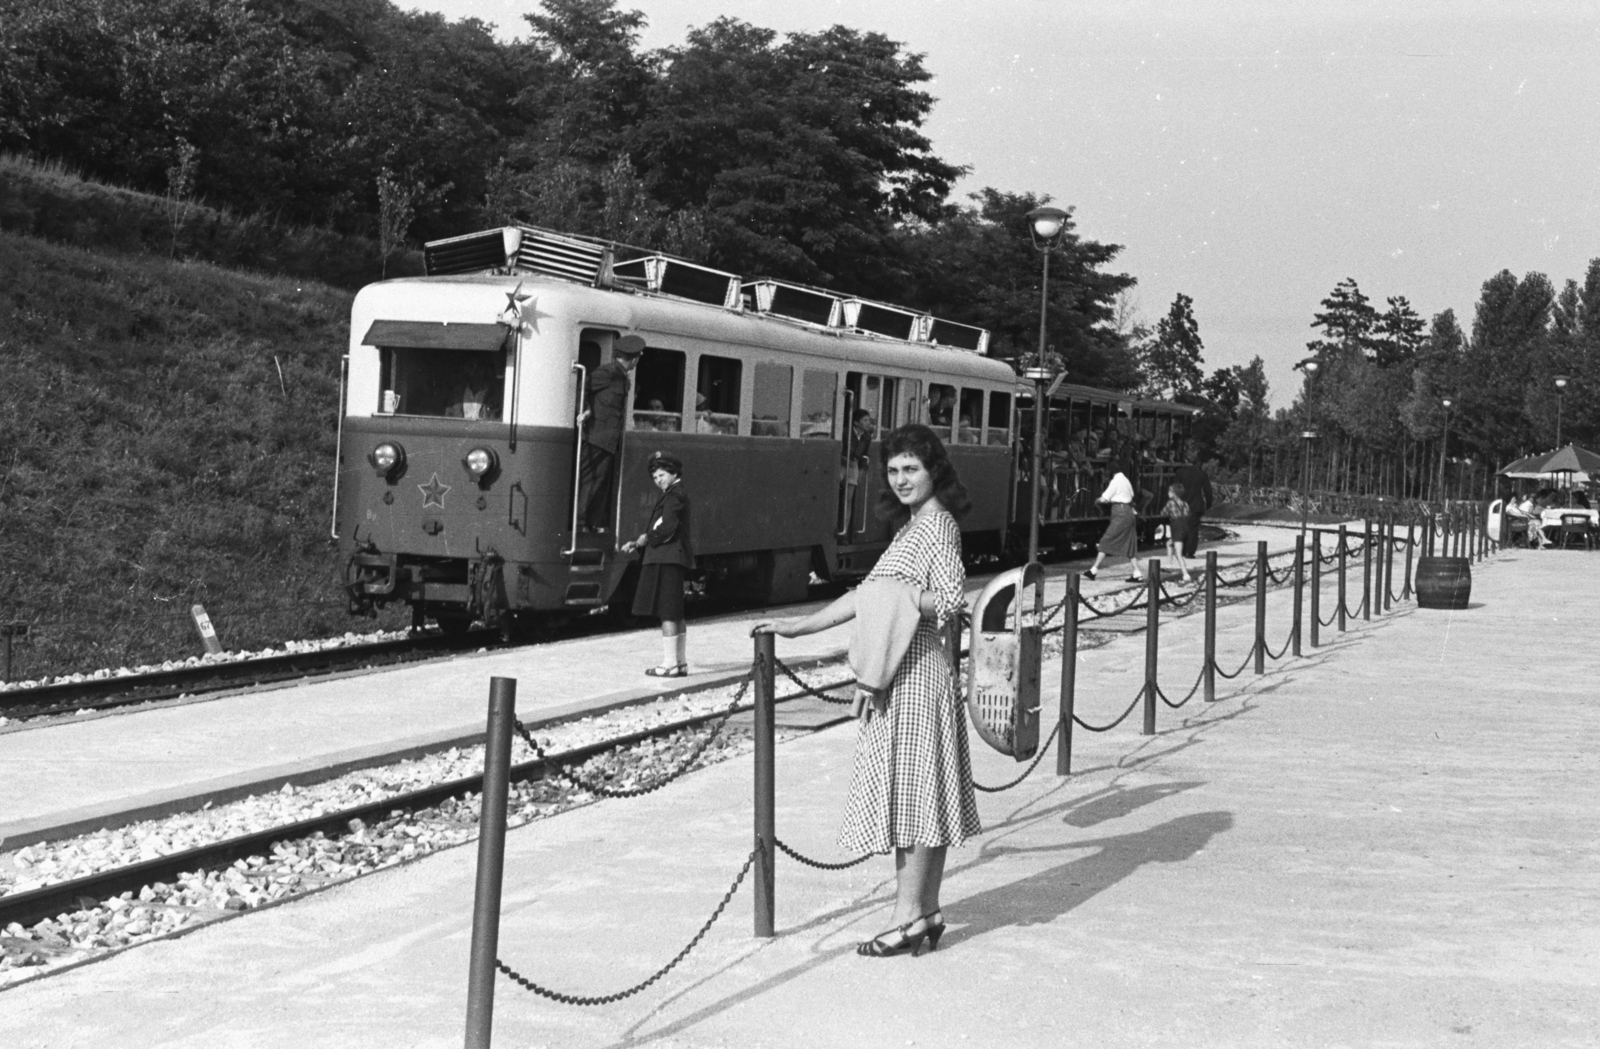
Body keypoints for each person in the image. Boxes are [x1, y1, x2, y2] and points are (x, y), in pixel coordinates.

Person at [753, 424, 978, 957]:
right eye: (894, 470)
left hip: (918, 674)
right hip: (907, 672)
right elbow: (865, 595)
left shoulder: (937, 526)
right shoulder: (910, 527)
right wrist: (796, 627)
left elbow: (949, 601)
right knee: (921, 796)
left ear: (934, 471)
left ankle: (907, 919)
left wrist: (894, 594)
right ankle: (926, 912)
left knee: (917, 798)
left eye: (912, 469)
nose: (901, 480)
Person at [622, 452, 694, 676]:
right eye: (655, 477)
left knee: (668, 612)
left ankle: (670, 664)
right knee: (675, 612)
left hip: (666, 557)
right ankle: (679, 663)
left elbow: (667, 526)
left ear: (674, 473)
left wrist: (644, 539)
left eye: (662, 475)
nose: (658, 480)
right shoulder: (674, 493)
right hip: (672, 557)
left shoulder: (674, 495)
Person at [576, 335, 643, 532]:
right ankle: (580, 523)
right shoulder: (608, 372)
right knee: (591, 479)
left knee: (600, 481)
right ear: (634, 359)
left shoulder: (621, 376)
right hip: (596, 436)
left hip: (609, 439)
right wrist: (586, 409)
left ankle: (592, 522)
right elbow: (583, 387)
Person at [1083, 456, 1142, 582]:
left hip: (1119, 512)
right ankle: (1137, 572)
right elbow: (1131, 495)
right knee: (1130, 544)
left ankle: (1094, 570)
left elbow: (1105, 498)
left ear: (1111, 469)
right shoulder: (1126, 480)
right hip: (1129, 512)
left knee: (1106, 540)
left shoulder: (1115, 481)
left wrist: (1097, 500)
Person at [1173, 448, 1213, 561]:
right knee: (1192, 528)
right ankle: (1189, 552)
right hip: (1196, 504)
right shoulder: (1201, 474)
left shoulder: (1179, 473)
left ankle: (1180, 550)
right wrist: (1209, 503)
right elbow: (1208, 491)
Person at [841, 409, 875, 532]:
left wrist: (861, 471)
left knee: (848, 500)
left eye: (869, 420)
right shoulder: (845, 432)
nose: (868, 423)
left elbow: (865, 455)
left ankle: (843, 531)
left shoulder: (866, 437)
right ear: (856, 423)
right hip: (841, 463)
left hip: (853, 465)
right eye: (865, 420)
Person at [1161, 482, 1198, 584]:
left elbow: (1163, 513)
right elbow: (1188, 515)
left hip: (1177, 528)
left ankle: (1185, 574)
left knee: (1178, 554)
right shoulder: (1185, 504)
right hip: (1185, 528)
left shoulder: (1170, 503)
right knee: (1169, 543)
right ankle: (1169, 563)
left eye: (1169, 491)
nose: (1168, 493)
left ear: (1173, 493)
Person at [444, 356, 499, 420]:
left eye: (479, 366)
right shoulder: (458, 393)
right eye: (472, 366)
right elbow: (448, 417)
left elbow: (497, 420)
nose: (476, 370)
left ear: (485, 369)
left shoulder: (495, 393)